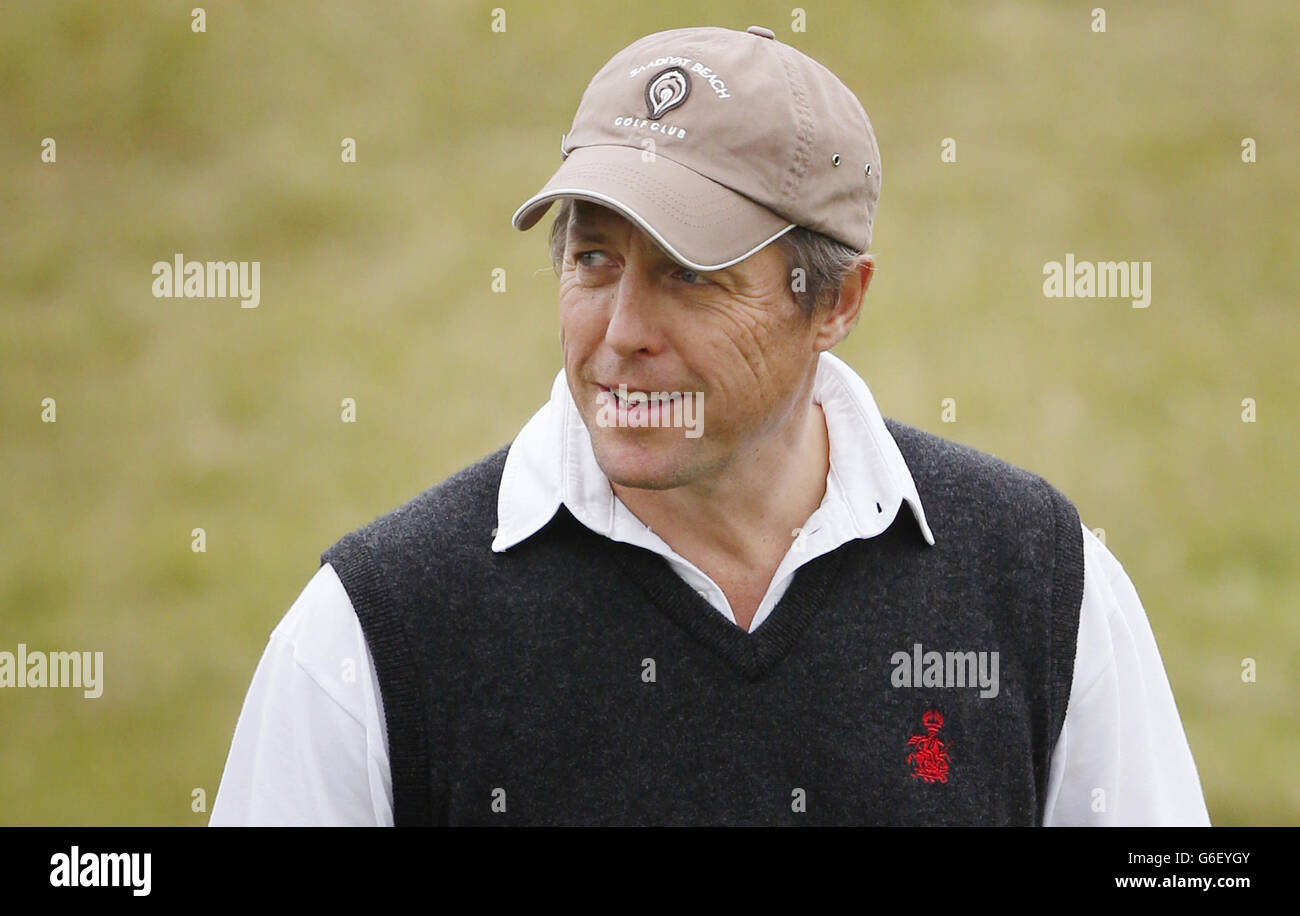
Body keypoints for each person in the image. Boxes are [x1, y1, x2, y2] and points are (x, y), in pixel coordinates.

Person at [210, 25, 1210, 826]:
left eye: (688, 274)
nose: (622, 332)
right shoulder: (372, 635)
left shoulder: (1036, 581)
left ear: (836, 302)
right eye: (593, 259)